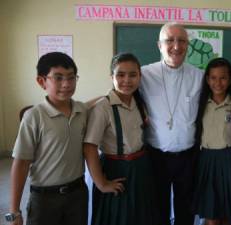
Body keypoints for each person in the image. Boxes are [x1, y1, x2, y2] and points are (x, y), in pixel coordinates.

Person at [7, 52, 88, 225]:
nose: (66, 84)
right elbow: (21, 164)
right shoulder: (33, 117)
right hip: (44, 198)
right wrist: (14, 211)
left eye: (71, 77)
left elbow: (92, 105)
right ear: (41, 81)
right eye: (58, 78)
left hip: (78, 194)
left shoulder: (82, 111)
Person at [140, 22, 203, 225]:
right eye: (170, 40)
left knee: (186, 210)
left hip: (188, 157)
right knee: (157, 210)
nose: (176, 46)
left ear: (188, 45)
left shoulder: (199, 76)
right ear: (159, 45)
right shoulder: (143, 74)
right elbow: (116, 94)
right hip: (155, 156)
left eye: (182, 41)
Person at [84, 53, 158, 225]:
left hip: (140, 168)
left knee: (139, 215)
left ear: (140, 76)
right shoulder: (103, 107)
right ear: (112, 77)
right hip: (115, 169)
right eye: (120, 75)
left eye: (133, 75)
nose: (127, 80)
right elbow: (89, 147)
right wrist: (101, 183)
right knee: (116, 216)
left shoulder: (140, 103)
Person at [192, 58, 231, 225]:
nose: (218, 82)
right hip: (206, 160)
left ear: (230, 79)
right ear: (207, 79)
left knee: (226, 213)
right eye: (213, 77)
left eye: (223, 78)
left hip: (229, 160)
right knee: (211, 214)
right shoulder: (199, 104)